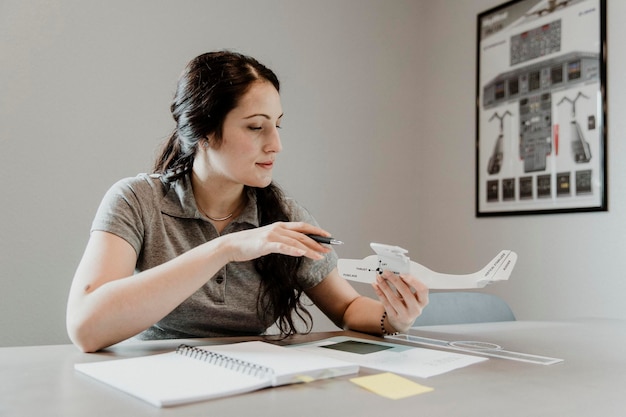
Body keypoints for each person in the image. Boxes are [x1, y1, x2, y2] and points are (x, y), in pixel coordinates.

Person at [66, 51, 429, 353]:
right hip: (155, 383)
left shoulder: (283, 216)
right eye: (256, 127)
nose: (275, 144)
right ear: (204, 130)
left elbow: (348, 308)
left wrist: (393, 318)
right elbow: (86, 328)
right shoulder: (136, 200)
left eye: (277, 125)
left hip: (255, 384)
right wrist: (226, 247)